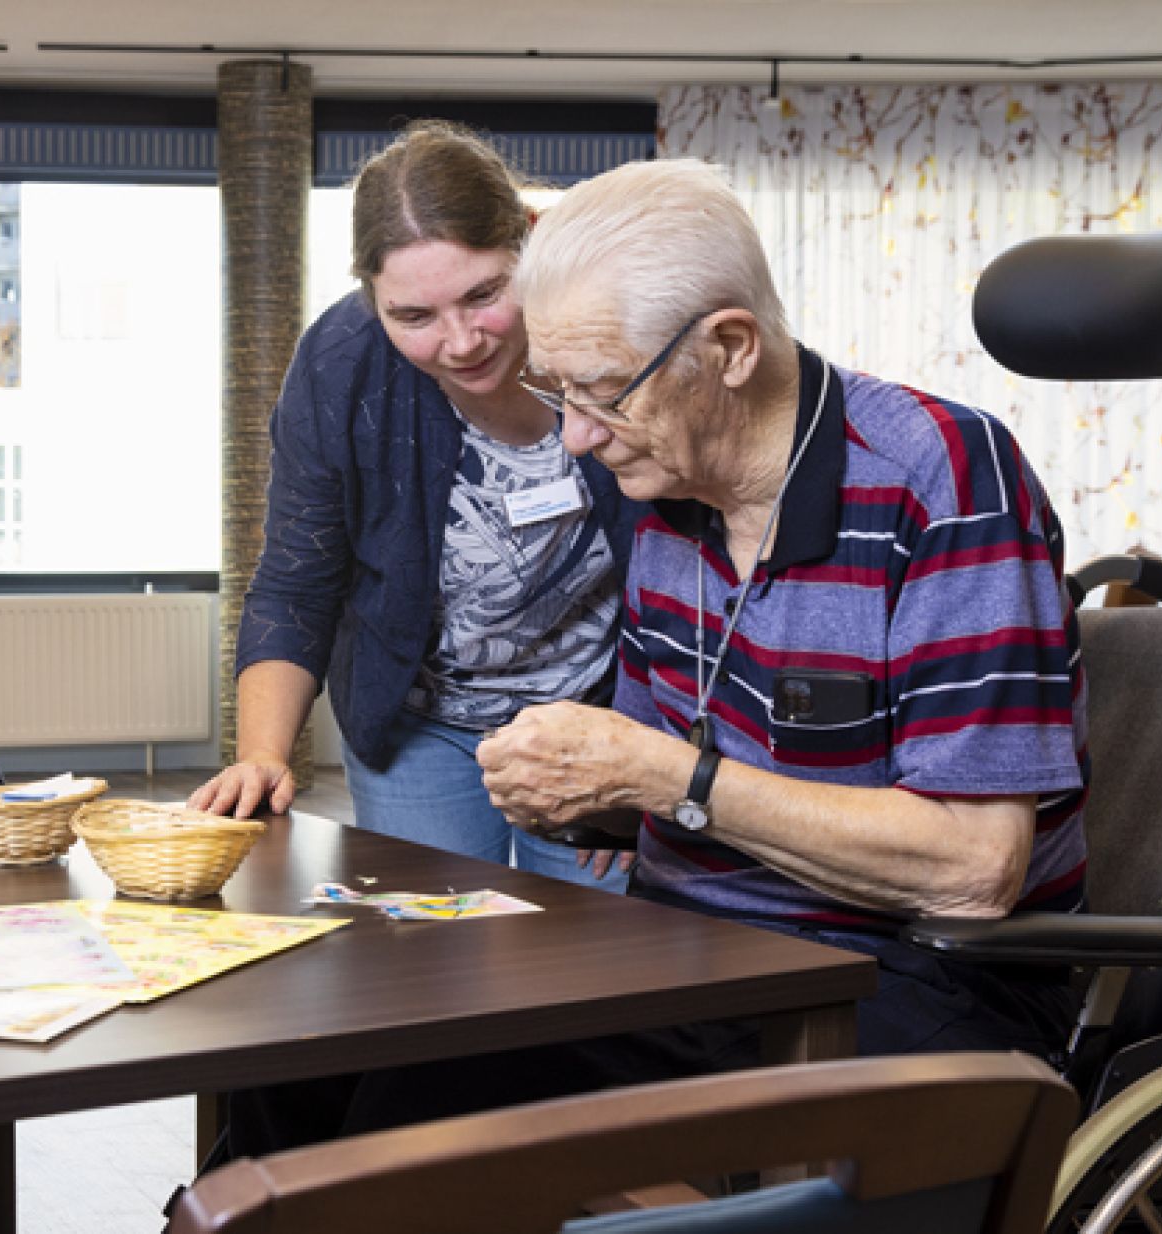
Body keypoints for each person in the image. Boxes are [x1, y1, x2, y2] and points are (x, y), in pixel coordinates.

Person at [221, 157, 1087, 1159]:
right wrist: (584, 792)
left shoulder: (942, 476)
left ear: (726, 348)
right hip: (687, 952)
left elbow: (974, 867)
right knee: (301, 1055)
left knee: (406, 1131)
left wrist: (658, 774)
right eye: (558, 392)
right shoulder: (672, 497)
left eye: (598, 395)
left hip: (900, 974)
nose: (576, 440)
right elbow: (664, 793)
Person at [189, 121, 642, 888]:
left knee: (596, 961)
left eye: (484, 294)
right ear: (373, 296)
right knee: (431, 957)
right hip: (418, 724)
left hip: (599, 719)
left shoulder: (619, 333)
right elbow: (299, 579)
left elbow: (697, 564)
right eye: (414, 317)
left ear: (530, 242)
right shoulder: (341, 364)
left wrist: (652, 766)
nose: (461, 342)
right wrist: (262, 755)